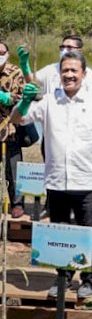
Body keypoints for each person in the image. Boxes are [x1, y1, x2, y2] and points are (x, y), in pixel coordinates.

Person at [10, 50, 92, 299]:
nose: (69, 75)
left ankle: (87, 279)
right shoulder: (48, 101)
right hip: (56, 181)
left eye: (74, 71)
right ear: (59, 73)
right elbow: (18, 119)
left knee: (86, 231)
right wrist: (24, 102)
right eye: (65, 70)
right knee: (60, 232)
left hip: (85, 180)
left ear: (83, 74)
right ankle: (63, 277)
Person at [0, 41, 26, 218]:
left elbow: (26, 97)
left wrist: (9, 98)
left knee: (14, 170)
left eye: (1, 52)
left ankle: (17, 203)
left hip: (10, 129)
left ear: (7, 54)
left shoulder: (15, 72)